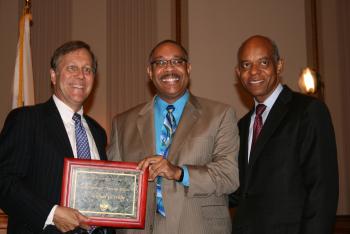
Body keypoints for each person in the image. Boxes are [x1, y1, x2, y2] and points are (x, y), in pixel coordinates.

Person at [108, 39, 239, 234]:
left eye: (177, 61)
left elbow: (229, 177)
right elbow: (115, 185)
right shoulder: (122, 123)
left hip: (198, 227)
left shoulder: (220, 115)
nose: (169, 69)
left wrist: (179, 172)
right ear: (149, 72)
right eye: (160, 63)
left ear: (188, 68)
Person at [230, 35, 338, 234]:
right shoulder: (242, 125)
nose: (254, 71)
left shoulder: (308, 111)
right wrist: (184, 177)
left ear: (279, 65)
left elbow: (322, 191)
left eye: (263, 62)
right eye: (246, 65)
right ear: (238, 73)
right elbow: (239, 191)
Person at [0, 41, 110, 233]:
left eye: (87, 70)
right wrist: (51, 214)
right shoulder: (26, 120)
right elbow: (3, 182)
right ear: (53, 75)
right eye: (71, 68)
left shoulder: (98, 132)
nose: (80, 76)